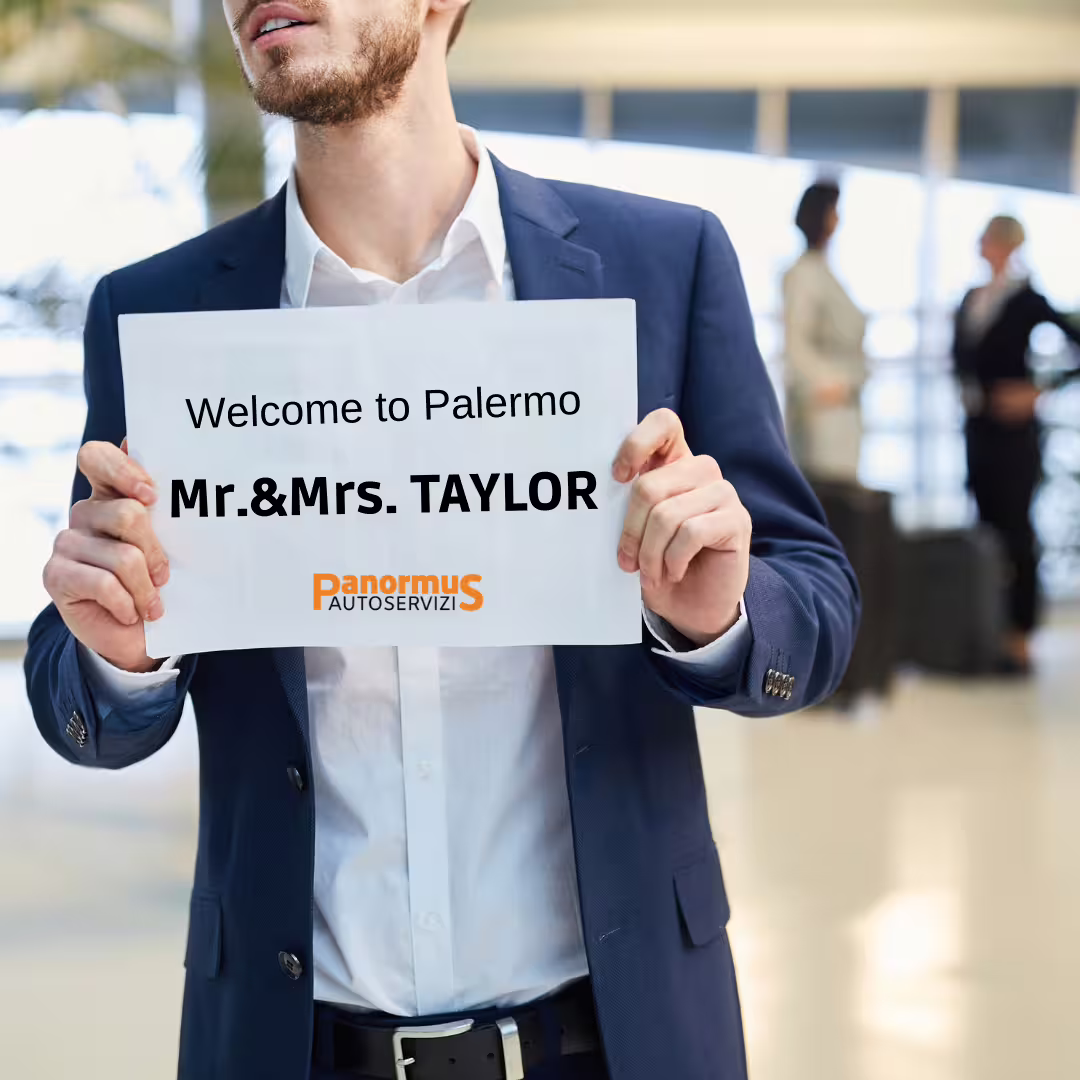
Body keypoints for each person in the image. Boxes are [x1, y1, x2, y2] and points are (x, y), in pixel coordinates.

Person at [23, 2, 859, 1078]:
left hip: (620, 1036)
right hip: (290, 1047)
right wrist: (114, 650)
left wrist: (717, 622)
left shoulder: (661, 262)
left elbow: (816, 604)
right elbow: (78, 697)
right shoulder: (159, 312)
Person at [953, 215, 1080, 675]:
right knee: (984, 531)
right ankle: (986, 631)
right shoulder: (970, 299)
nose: (981, 245)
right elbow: (961, 363)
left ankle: (1020, 635)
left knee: (1018, 532)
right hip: (978, 431)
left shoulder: (1028, 300)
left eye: (987, 239)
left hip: (1015, 436)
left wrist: (1040, 389)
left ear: (1006, 246)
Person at [782, 180, 867, 482]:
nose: (838, 219)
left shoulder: (825, 271)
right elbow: (795, 340)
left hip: (842, 406)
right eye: (834, 211)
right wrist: (825, 383)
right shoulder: (803, 273)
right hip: (823, 407)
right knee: (829, 496)